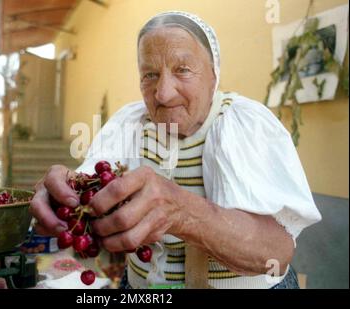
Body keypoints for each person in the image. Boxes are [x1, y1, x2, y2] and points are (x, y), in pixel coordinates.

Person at [30, 11, 322, 289]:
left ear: (213, 74)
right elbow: (89, 192)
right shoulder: (128, 122)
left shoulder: (244, 122)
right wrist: (64, 196)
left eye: (182, 70)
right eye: (149, 74)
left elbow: (275, 253)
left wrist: (181, 212)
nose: (163, 93)